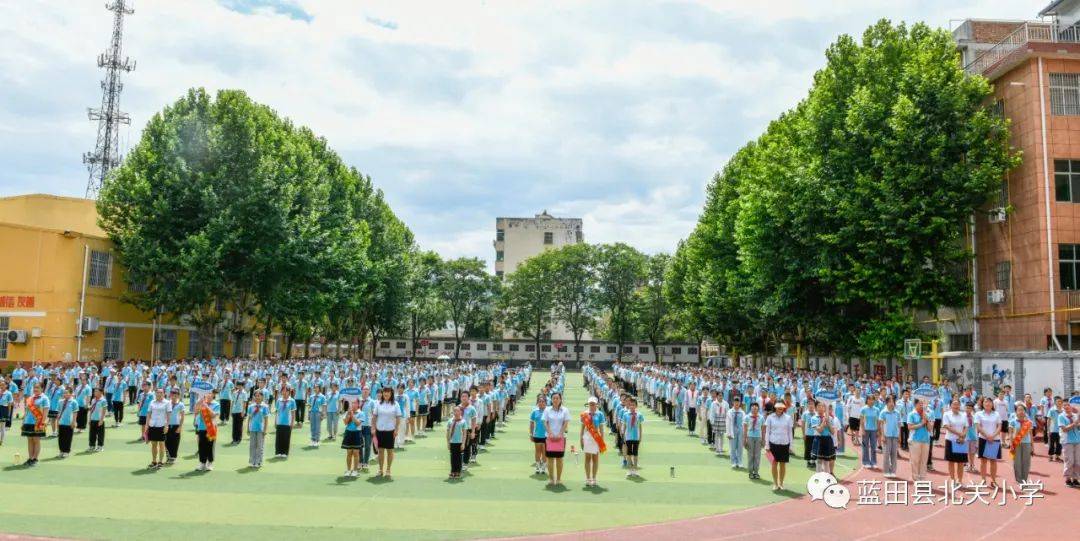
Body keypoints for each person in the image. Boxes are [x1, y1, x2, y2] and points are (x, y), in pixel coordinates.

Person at [372, 386, 402, 479]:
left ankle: (388, 470)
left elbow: (398, 417)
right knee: (380, 451)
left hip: (390, 431)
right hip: (380, 430)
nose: (386, 394)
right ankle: (380, 470)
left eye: (388, 392)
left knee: (390, 451)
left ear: (391, 393)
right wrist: (373, 428)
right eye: (384, 392)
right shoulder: (378, 404)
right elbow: (374, 417)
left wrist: (396, 429)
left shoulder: (395, 404)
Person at [542, 391, 570, 486]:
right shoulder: (547, 410)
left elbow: (566, 423)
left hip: (561, 438)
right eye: (554, 398)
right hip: (549, 437)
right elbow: (545, 422)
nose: (555, 400)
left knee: (559, 459)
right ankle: (551, 478)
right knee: (550, 458)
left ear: (560, 399)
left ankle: (558, 479)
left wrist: (560, 434)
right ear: (551, 399)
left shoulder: (565, 410)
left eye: (557, 398)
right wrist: (550, 433)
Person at [974, 396, 1002, 488]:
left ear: (992, 404)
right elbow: (978, 426)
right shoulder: (978, 414)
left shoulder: (996, 414)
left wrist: (992, 436)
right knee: (983, 461)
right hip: (983, 439)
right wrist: (987, 436)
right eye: (986, 401)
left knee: (993, 461)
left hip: (994, 439)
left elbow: (999, 426)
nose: (988, 403)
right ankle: (983, 480)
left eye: (990, 402)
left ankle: (993, 481)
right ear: (982, 404)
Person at [765, 402, 793, 491]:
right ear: (775, 408)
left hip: (785, 443)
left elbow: (790, 432)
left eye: (781, 407)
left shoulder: (788, 418)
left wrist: (791, 446)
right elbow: (767, 432)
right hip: (773, 443)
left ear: (784, 408)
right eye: (778, 407)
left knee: (782, 464)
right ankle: (775, 483)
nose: (780, 409)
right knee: (774, 464)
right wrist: (767, 445)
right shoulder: (770, 417)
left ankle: (781, 483)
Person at [941, 399, 969, 486]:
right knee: (951, 461)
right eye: (954, 404)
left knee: (961, 462)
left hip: (961, 441)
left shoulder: (964, 415)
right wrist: (959, 434)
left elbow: (966, 426)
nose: (956, 406)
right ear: (950, 405)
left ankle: (959, 480)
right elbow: (946, 426)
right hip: (950, 440)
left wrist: (963, 435)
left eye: (957, 404)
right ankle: (953, 480)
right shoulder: (947, 414)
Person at [580, 396, 606, 487]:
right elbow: (582, 428)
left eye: (593, 404)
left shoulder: (600, 414)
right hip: (587, 436)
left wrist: (601, 441)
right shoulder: (584, 414)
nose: (592, 405)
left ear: (596, 404)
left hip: (596, 437)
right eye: (590, 404)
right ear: (588, 404)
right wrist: (581, 439)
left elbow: (602, 428)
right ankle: (588, 478)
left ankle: (594, 478)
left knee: (595, 458)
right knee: (587, 458)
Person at [22, 383, 49, 466]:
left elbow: (45, 411)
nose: (35, 389)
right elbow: (26, 411)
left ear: (42, 388)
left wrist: (43, 423)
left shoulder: (44, 398)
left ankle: (35, 458)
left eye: (37, 388)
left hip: (38, 422)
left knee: (36, 440)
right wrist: (23, 421)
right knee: (30, 440)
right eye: (34, 388)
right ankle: (30, 458)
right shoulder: (30, 398)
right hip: (28, 421)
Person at [194, 391, 219, 471]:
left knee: (210, 446)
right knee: (201, 445)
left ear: (213, 395)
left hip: (211, 428)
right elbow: (196, 411)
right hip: (201, 427)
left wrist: (206, 407)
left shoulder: (216, 404)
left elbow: (213, 415)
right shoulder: (201, 402)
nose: (208, 395)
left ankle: (210, 462)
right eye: (207, 394)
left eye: (210, 394)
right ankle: (202, 463)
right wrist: (200, 402)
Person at [1008, 403, 1033, 483]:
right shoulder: (1012, 421)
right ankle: (1019, 480)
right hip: (1016, 443)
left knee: (1026, 462)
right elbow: (1010, 433)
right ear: (1016, 412)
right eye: (1019, 410)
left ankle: (1024, 479)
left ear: (1025, 411)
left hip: (1027, 443)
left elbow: (1031, 435)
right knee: (1017, 462)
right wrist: (1011, 444)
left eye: (1022, 410)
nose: (1021, 412)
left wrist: (1032, 445)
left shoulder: (1029, 422)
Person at [144, 388, 169, 469]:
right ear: (156, 393)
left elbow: (169, 415)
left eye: (161, 392)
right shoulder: (152, 402)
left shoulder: (167, 402)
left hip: (162, 426)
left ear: (164, 393)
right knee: (153, 444)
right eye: (158, 392)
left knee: (162, 444)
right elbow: (148, 414)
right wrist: (147, 425)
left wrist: (167, 425)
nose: (159, 394)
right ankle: (154, 461)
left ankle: (160, 462)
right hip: (152, 425)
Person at [1059, 400, 1080, 487]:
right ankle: (1068, 479)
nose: (1067, 407)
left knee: (1077, 460)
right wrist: (1076, 423)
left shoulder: (1075, 416)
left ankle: (1075, 478)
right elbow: (1064, 429)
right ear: (1063, 407)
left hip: (1077, 440)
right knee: (1069, 460)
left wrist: (1078, 422)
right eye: (1065, 406)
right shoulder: (1061, 416)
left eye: (1068, 405)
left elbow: (1078, 427)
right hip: (1067, 441)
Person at [878, 397, 901, 478]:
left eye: (893, 402)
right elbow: (881, 425)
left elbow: (899, 425)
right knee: (886, 454)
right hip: (887, 436)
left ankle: (893, 471)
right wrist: (882, 436)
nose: (892, 403)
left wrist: (899, 436)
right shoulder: (883, 413)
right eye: (890, 402)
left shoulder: (897, 413)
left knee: (894, 454)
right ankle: (886, 471)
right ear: (886, 403)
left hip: (895, 435)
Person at [621, 398, 644, 477]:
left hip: (636, 437)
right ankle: (630, 470)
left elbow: (640, 426)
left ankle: (635, 469)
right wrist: (623, 435)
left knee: (635, 454)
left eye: (633, 405)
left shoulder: (639, 415)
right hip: (628, 437)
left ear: (636, 406)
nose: (632, 406)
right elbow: (624, 425)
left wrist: (640, 436)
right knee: (629, 454)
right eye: (630, 405)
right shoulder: (625, 414)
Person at [247, 391, 269, 468]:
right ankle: (252, 461)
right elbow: (249, 418)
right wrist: (248, 428)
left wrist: (265, 429)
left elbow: (266, 419)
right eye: (255, 396)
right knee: (252, 445)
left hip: (261, 429)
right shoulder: (251, 406)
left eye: (259, 396)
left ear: (262, 397)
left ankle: (258, 461)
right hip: (252, 428)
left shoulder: (265, 407)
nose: (257, 397)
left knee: (260, 446)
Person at [341, 401, 364, 477]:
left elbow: (357, 423)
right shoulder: (348, 412)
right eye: (352, 403)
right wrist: (348, 414)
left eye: (355, 403)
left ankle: (355, 470)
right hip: (348, 433)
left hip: (357, 433)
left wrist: (352, 415)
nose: (353, 404)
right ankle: (348, 470)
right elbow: (346, 423)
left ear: (358, 404)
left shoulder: (361, 413)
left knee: (356, 453)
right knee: (349, 453)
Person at [274, 387, 296, 458]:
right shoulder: (279, 400)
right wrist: (275, 421)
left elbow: (293, 413)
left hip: (287, 423)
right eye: (283, 391)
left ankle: (285, 452)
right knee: (278, 438)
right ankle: (278, 452)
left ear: (289, 392)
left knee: (286, 438)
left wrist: (292, 423)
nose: (284, 392)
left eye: (286, 391)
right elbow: (277, 412)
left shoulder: (292, 401)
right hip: (279, 422)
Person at [55, 386, 77, 458]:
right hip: (61, 422)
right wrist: (57, 422)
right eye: (64, 393)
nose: (65, 394)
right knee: (61, 438)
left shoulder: (74, 402)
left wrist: (73, 422)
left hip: (69, 423)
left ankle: (66, 451)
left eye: (67, 393)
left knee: (68, 438)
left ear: (71, 394)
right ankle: (61, 451)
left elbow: (75, 413)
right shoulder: (60, 402)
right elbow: (58, 412)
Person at [165, 388, 185, 464]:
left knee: (175, 442)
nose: (174, 396)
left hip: (176, 425)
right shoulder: (167, 403)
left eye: (175, 394)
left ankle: (173, 457)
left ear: (178, 395)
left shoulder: (181, 404)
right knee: (167, 441)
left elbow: (182, 416)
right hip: (167, 425)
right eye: (172, 394)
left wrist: (180, 427)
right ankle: (168, 456)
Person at [529, 394, 548, 475]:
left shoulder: (548, 411)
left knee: (545, 452)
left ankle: (543, 467)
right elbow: (531, 423)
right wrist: (531, 433)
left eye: (543, 401)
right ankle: (537, 466)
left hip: (546, 435)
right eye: (539, 401)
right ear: (537, 402)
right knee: (538, 452)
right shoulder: (534, 411)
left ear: (545, 402)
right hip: (537, 435)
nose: (541, 403)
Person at [859, 395, 879, 469]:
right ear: (867, 400)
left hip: (874, 430)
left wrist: (878, 430)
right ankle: (865, 462)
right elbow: (861, 421)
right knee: (865, 446)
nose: (871, 401)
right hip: (866, 430)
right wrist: (863, 430)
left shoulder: (876, 409)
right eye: (869, 399)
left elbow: (877, 421)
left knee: (873, 446)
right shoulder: (863, 409)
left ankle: (873, 462)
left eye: (872, 400)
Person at [447, 405, 466, 479]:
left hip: (459, 442)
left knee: (459, 457)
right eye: (454, 411)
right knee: (452, 457)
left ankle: (458, 471)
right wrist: (448, 443)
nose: (456, 412)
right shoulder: (450, 421)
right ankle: (453, 471)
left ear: (461, 412)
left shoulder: (463, 421)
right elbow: (448, 432)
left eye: (458, 411)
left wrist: (463, 443)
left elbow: (464, 433)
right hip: (452, 442)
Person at [87, 387, 107, 452]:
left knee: (100, 434)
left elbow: (104, 411)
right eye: (94, 391)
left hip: (99, 420)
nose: (94, 393)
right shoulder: (93, 400)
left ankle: (100, 446)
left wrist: (101, 420)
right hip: (93, 419)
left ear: (101, 392)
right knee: (92, 434)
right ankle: (92, 446)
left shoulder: (103, 400)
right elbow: (91, 410)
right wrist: (89, 419)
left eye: (96, 391)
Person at [0, 381, 12, 446]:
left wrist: (9, 413)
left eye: (3, 385)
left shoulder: (8, 393)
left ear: (6, 386)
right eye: (1, 385)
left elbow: (10, 404)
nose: (1, 386)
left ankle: (1, 441)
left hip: (4, 409)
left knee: (2, 426)